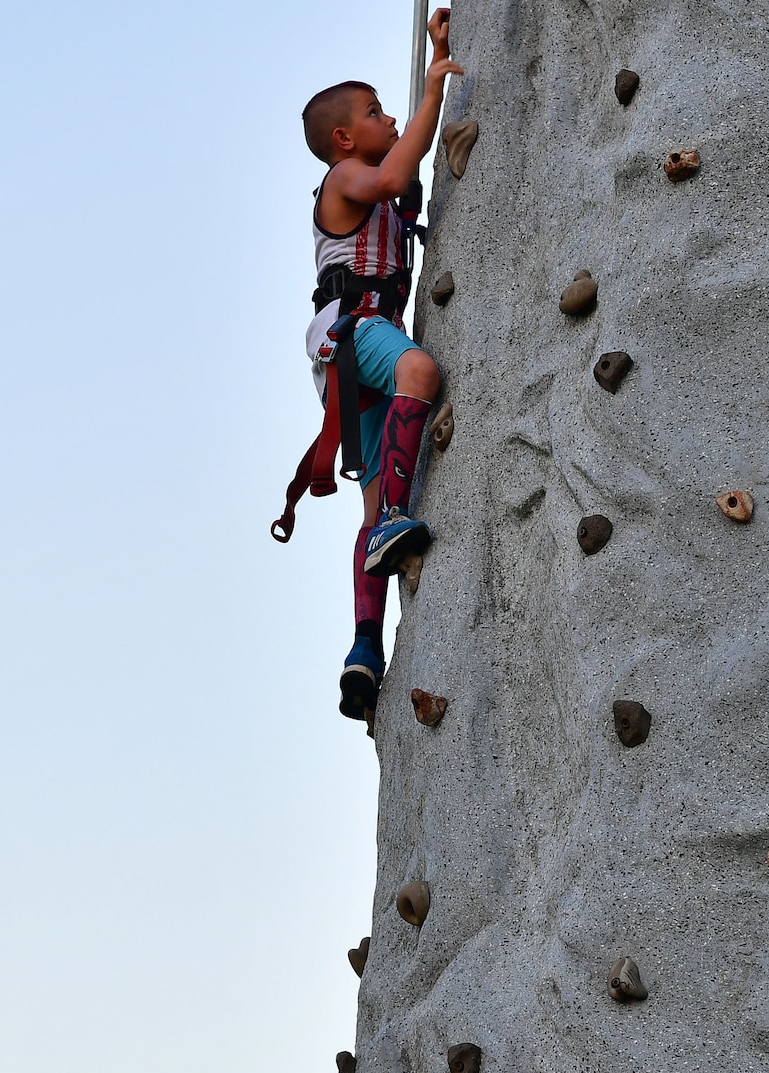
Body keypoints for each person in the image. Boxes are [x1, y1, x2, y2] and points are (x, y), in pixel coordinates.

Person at [295, 9, 461, 725]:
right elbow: (397, 170)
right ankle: (398, 514)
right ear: (342, 139)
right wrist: (433, 94)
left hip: (346, 353)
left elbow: (404, 185)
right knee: (419, 373)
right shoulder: (345, 178)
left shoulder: (372, 192)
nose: (387, 116)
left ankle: (363, 648)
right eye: (374, 112)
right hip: (353, 330)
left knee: (364, 510)